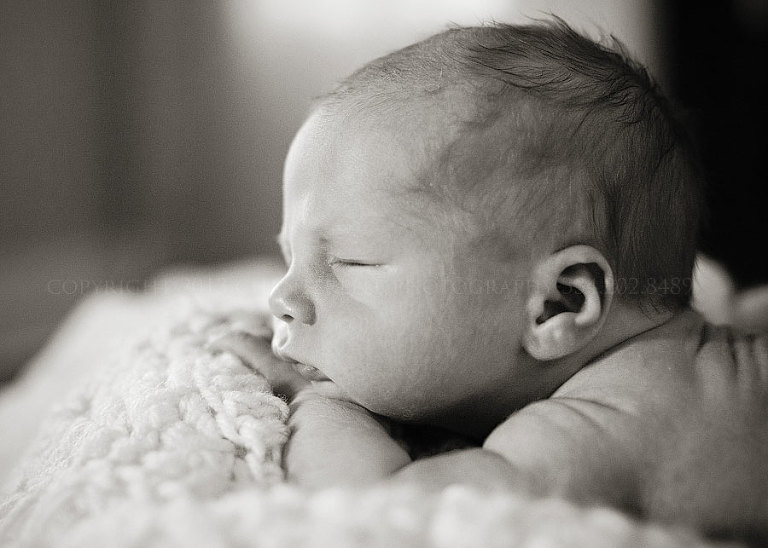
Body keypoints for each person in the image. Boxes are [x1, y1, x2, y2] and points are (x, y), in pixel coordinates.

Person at [212, 18, 768, 542]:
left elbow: (380, 510)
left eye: (351, 263)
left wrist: (311, 398)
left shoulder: (602, 429)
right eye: (289, 257)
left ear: (557, 304)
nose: (281, 299)